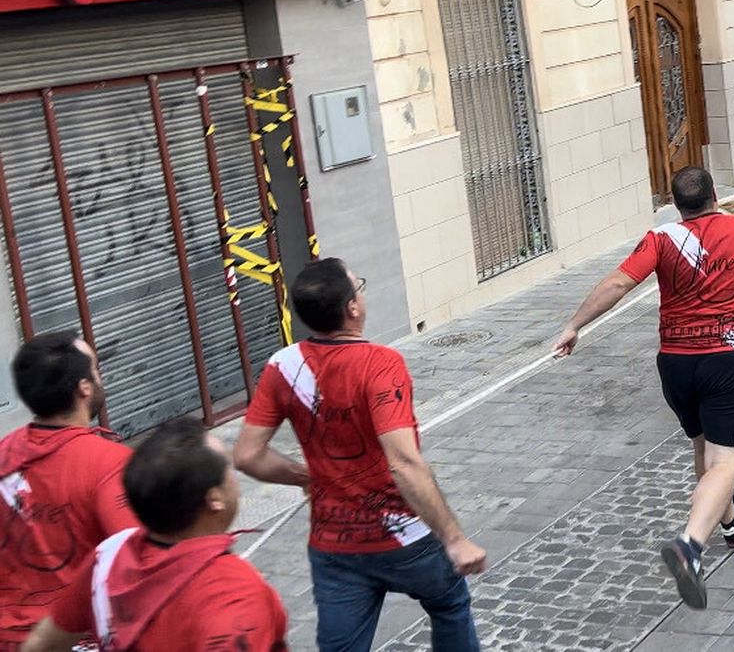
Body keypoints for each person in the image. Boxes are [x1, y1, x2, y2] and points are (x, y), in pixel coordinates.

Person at [552, 167, 734, 609]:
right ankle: (690, 546)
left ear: (675, 203)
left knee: (704, 453)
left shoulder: (661, 239)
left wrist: (573, 326)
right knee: (725, 464)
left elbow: (618, 283)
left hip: (677, 365)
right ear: (716, 196)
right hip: (730, 360)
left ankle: (731, 521)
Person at [234, 259, 485, 652]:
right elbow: (403, 461)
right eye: (359, 286)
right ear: (352, 307)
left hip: (334, 545)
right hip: (405, 538)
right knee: (450, 604)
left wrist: (306, 477)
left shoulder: (281, 366)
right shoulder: (381, 363)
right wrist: (454, 538)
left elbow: (247, 455)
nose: (363, 292)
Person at [21, 418, 289, 652]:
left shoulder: (107, 558)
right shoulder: (235, 594)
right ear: (214, 499)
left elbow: (43, 645)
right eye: (227, 470)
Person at [0, 332, 137, 647]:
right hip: (74, 639)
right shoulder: (110, 464)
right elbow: (136, 562)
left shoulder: (4, 452)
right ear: (84, 388)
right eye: (96, 369)